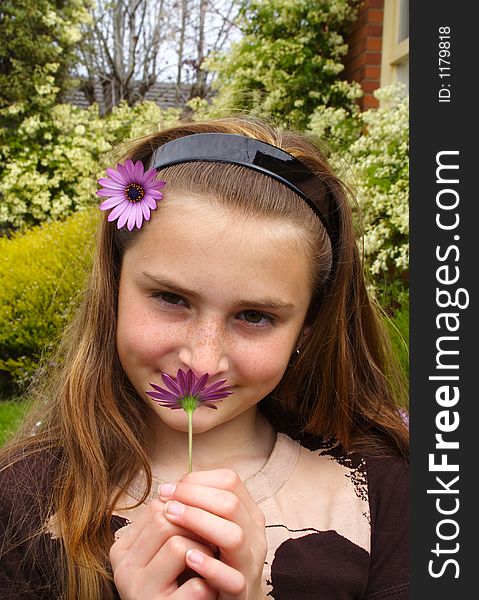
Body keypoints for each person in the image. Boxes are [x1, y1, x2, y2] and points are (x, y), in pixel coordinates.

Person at [0, 117, 409, 600]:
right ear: (114, 287)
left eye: (254, 316)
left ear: (309, 326)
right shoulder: (23, 500)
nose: (202, 358)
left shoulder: (387, 495)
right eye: (171, 299)